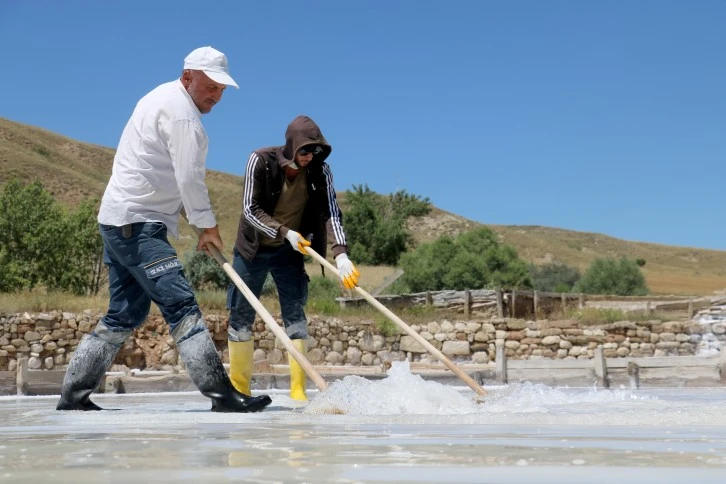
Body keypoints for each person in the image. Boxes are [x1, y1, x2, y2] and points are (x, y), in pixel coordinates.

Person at [56, 46, 272, 413]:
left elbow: (166, 173)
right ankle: (221, 395)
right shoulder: (182, 115)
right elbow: (188, 176)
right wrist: (207, 225)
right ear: (188, 75)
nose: (217, 95)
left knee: (124, 314)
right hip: (138, 225)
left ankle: (73, 395)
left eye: (223, 89)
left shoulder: (160, 97)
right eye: (212, 85)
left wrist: (192, 217)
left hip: (119, 220)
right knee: (181, 304)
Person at [227, 115, 360, 401]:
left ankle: (298, 390)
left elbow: (331, 212)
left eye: (315, 151)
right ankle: (240, 389)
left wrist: (342, 256)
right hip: (252, 250)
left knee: (296, 318)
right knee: (240, 318)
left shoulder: (320, 172)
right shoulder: (260, 161)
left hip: (289, 251)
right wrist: (284, 231)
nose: (309, 157)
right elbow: (250, 210)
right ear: (291, 147)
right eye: (304, 150)